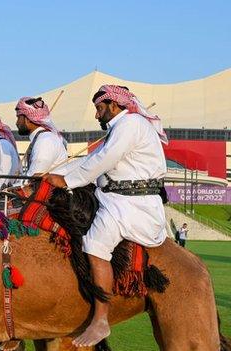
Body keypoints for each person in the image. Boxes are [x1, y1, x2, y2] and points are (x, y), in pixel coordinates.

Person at [44, 85, 168, 346]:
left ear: (114, 105)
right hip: (117, 199)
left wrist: (66, 181)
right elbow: (92, 159)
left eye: (100, 109)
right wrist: (53, 176)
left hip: (131, 205)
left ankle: (101, 319)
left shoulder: (130, 124)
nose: (97, 115)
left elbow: (102, 161)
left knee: (94, 245)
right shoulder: (121, 128)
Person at [14, 97, 68, 179]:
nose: (17, 123)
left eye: (18, 118)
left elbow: (33, 180)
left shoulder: (45, 141)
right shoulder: (40, 138)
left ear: (28, 119)